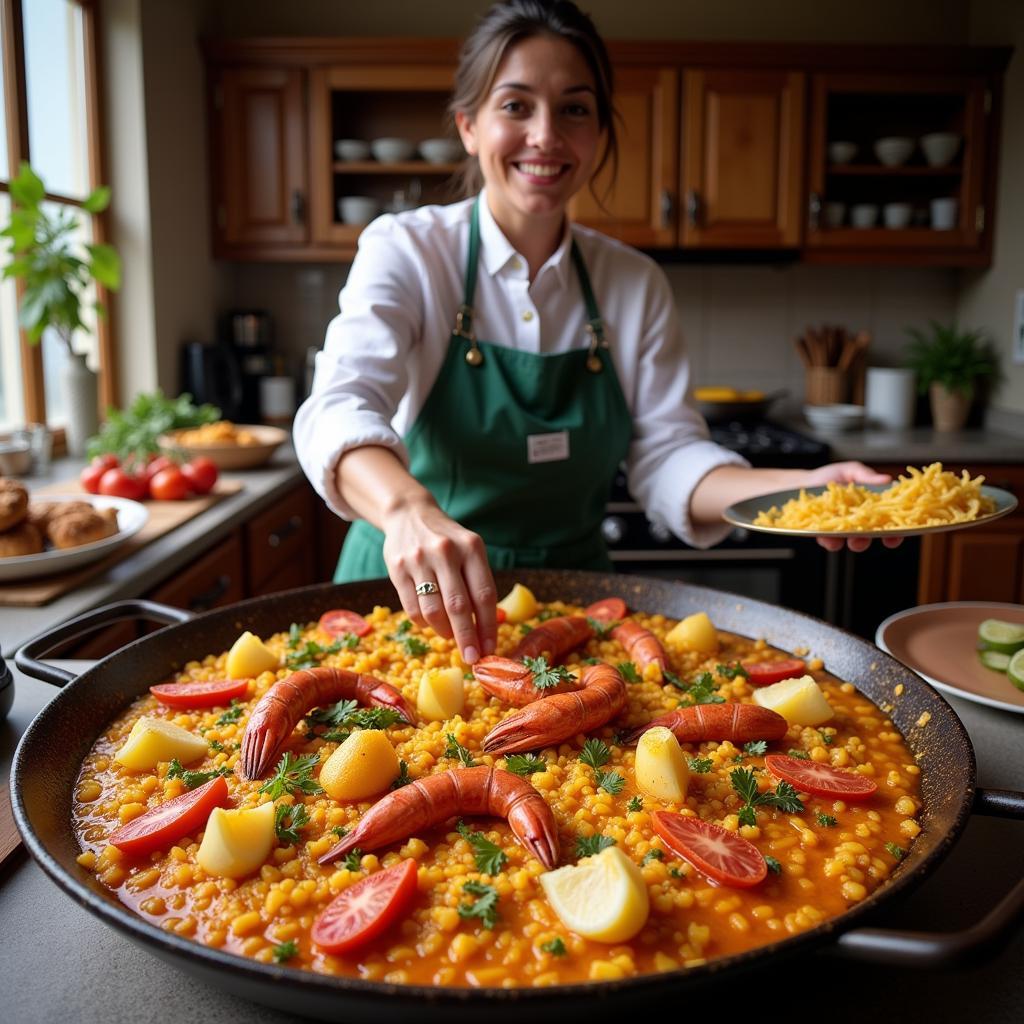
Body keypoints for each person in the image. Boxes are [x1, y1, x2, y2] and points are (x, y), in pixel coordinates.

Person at [294, 0, 895, 667]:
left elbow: (669, 459)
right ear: (468, 125)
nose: (546, 135)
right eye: (516, 106)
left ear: (600, 132)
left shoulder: (633, 283)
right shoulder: (408, 250)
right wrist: (407, 509)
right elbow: (337, 411)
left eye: (574, 109)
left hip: (577, 609)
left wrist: (805, 494)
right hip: (409, 600)